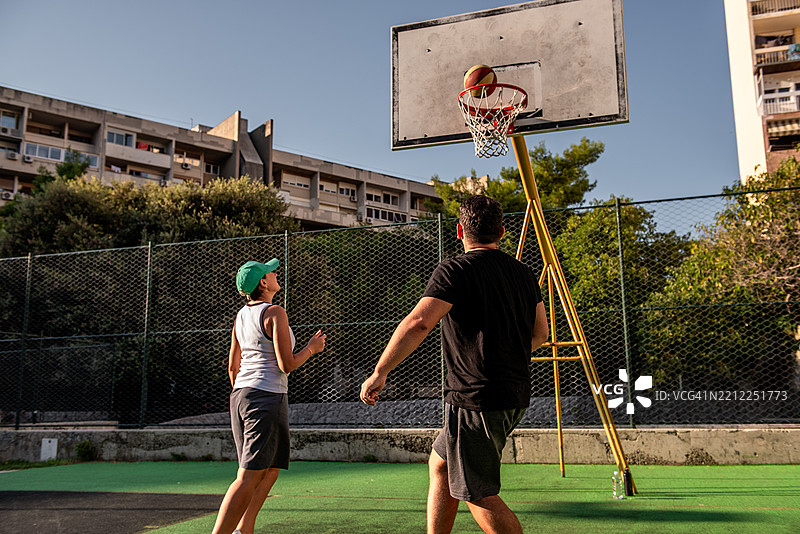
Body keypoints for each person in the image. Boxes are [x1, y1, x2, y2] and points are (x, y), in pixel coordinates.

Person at [360, 195, 548, 534]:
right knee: (441, 465)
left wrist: (380, 372)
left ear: (460, 230)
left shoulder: (455, 269)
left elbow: (419, 323)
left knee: (478, 492)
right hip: (514, 394)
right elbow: (540, 333)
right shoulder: (524, 273)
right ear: (502, 232)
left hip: (475, 398)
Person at [213, 259, 326, 534]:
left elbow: (232, 366)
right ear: (263, 283)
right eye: (270, 272)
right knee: (248, 475)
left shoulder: (241, 316)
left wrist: (245, 392)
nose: (276, 274)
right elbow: (286, 364)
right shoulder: (275, 312)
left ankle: (245, 529)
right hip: (265, 397)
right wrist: (312, 348)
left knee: (270, 468)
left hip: (242, 396)